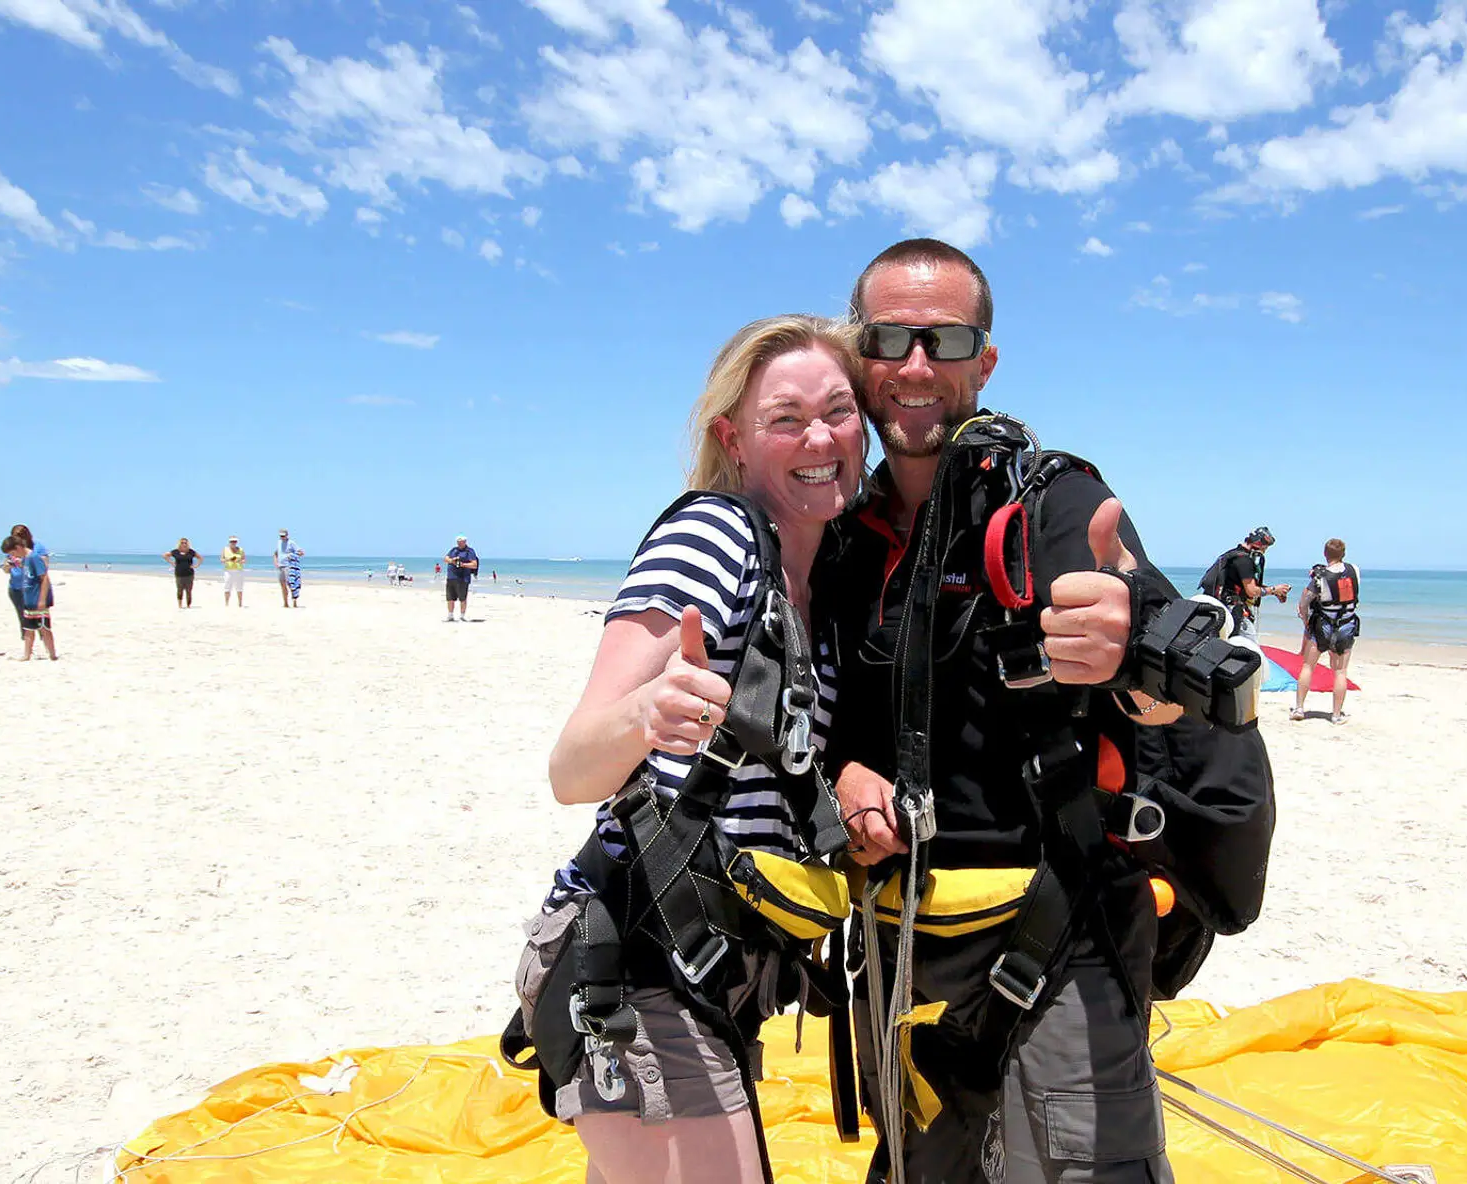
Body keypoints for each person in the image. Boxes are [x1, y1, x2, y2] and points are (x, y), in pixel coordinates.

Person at [823, 238, 1193, 1183]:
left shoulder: (1053, 507)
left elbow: (1161, 683)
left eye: (943, 340)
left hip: (1056, 943)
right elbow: (826, 720)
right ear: (860, 357)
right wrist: (839, 778)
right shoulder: (839, 539)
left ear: (984, 362)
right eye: (891, 338)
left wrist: (1131, 656)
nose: (915, 365)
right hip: (903, 958)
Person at [514, 314, 867, 1182]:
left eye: (838, 410)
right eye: (785, 418)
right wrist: (648, 712)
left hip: (712, 969)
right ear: (733, 439)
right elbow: (572, 768)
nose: (819, 437)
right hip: (635, 958)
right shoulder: (712, 537)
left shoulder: (818, 580)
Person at [1293, 539, 1361, 722]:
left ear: (1325, 554)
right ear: (1344, 553)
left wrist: (1306, 621)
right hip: (1346, 625)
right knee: (1340, 671)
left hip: (1323, 626)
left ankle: (1299, 708)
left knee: (1308, 666)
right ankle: (1337, 715)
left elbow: (1304, 601)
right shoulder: (1354, 570)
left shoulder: (1319, 577)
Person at [1204, 528, 1290, 639]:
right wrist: (1274, 589)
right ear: (1258, 543)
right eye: (1265, 548)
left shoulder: (1231, 554)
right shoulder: (1244, 561)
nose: (1264, 551)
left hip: (1220, 605)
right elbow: (1252, 591)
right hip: (1233, 609)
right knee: (1251, 647)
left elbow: (1240, 584)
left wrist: (1274, 592)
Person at [2, 535, 58, 660]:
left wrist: (42, 599)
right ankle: (26, 655)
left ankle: (52, 654)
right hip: (29, 598)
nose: (13, 556)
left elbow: (44, 579)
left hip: (38, 598)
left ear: (17, 548)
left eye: (12, 553)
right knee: (28, 628)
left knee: (44, 628)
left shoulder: (34, 558)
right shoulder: (25, 560)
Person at [444, 534, 480, 621]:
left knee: (462, 598)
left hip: (463, 578)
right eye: (458, 542)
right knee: (450, 598)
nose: (459, 544)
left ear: (465, 542)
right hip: (451, 577)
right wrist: (452, 561)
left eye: (461, 542)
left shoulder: (469, 551)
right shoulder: (453, 550)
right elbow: (445, 558)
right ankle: (450, 615)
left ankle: (462, 616)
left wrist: (463, 564)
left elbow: (474, 565)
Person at [164, 538, 201, 608]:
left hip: (189, 574)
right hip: (179, 574)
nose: (184, 544)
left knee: (189, 591)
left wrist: (196, 565)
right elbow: (165, 555)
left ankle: (188, 605)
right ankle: (180, 605)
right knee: (179, 590)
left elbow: (200, 558)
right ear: (179, 543)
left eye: (185, 543)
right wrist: (172, 563)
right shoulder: (175, 552)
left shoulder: (191, 552)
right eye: (182, 543)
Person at [273, 528, 305, 608]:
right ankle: (285, 603)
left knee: (291, 584)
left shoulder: (291, 543)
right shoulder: (279, 543)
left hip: (289, 566)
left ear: (287, 535)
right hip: (280, 567)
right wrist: (276, 562)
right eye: (281, 536)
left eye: (283, 536)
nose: (282, 537)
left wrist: (292, 555)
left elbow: (301, 552)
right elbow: (275, 553)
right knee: (282, 585)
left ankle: (294, 601)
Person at [221, 536, 247, 606]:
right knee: (227, 587)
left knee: (239, 587)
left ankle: (240, 603)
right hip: (228, 571)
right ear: (229, 542)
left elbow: (244, 560)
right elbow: (222, 560)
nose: (233, 543)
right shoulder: (225, 549)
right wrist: (228, 560)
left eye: (235, 541)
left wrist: (240, 561)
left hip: (238, 570)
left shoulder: (241, 550)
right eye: (232, 541)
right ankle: (226, 603)